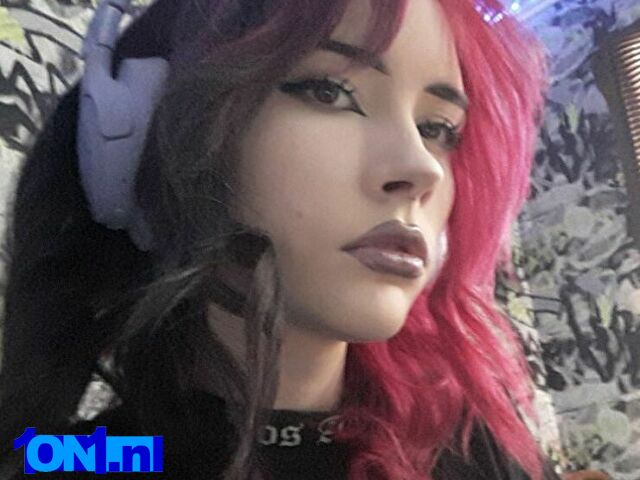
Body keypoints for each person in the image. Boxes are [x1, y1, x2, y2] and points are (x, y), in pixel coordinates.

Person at [0, 0, 571, 478]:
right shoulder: (83, 462)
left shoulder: (474, 450)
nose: (421, 168)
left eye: (439, 129)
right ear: (146, 140)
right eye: (328, 92)